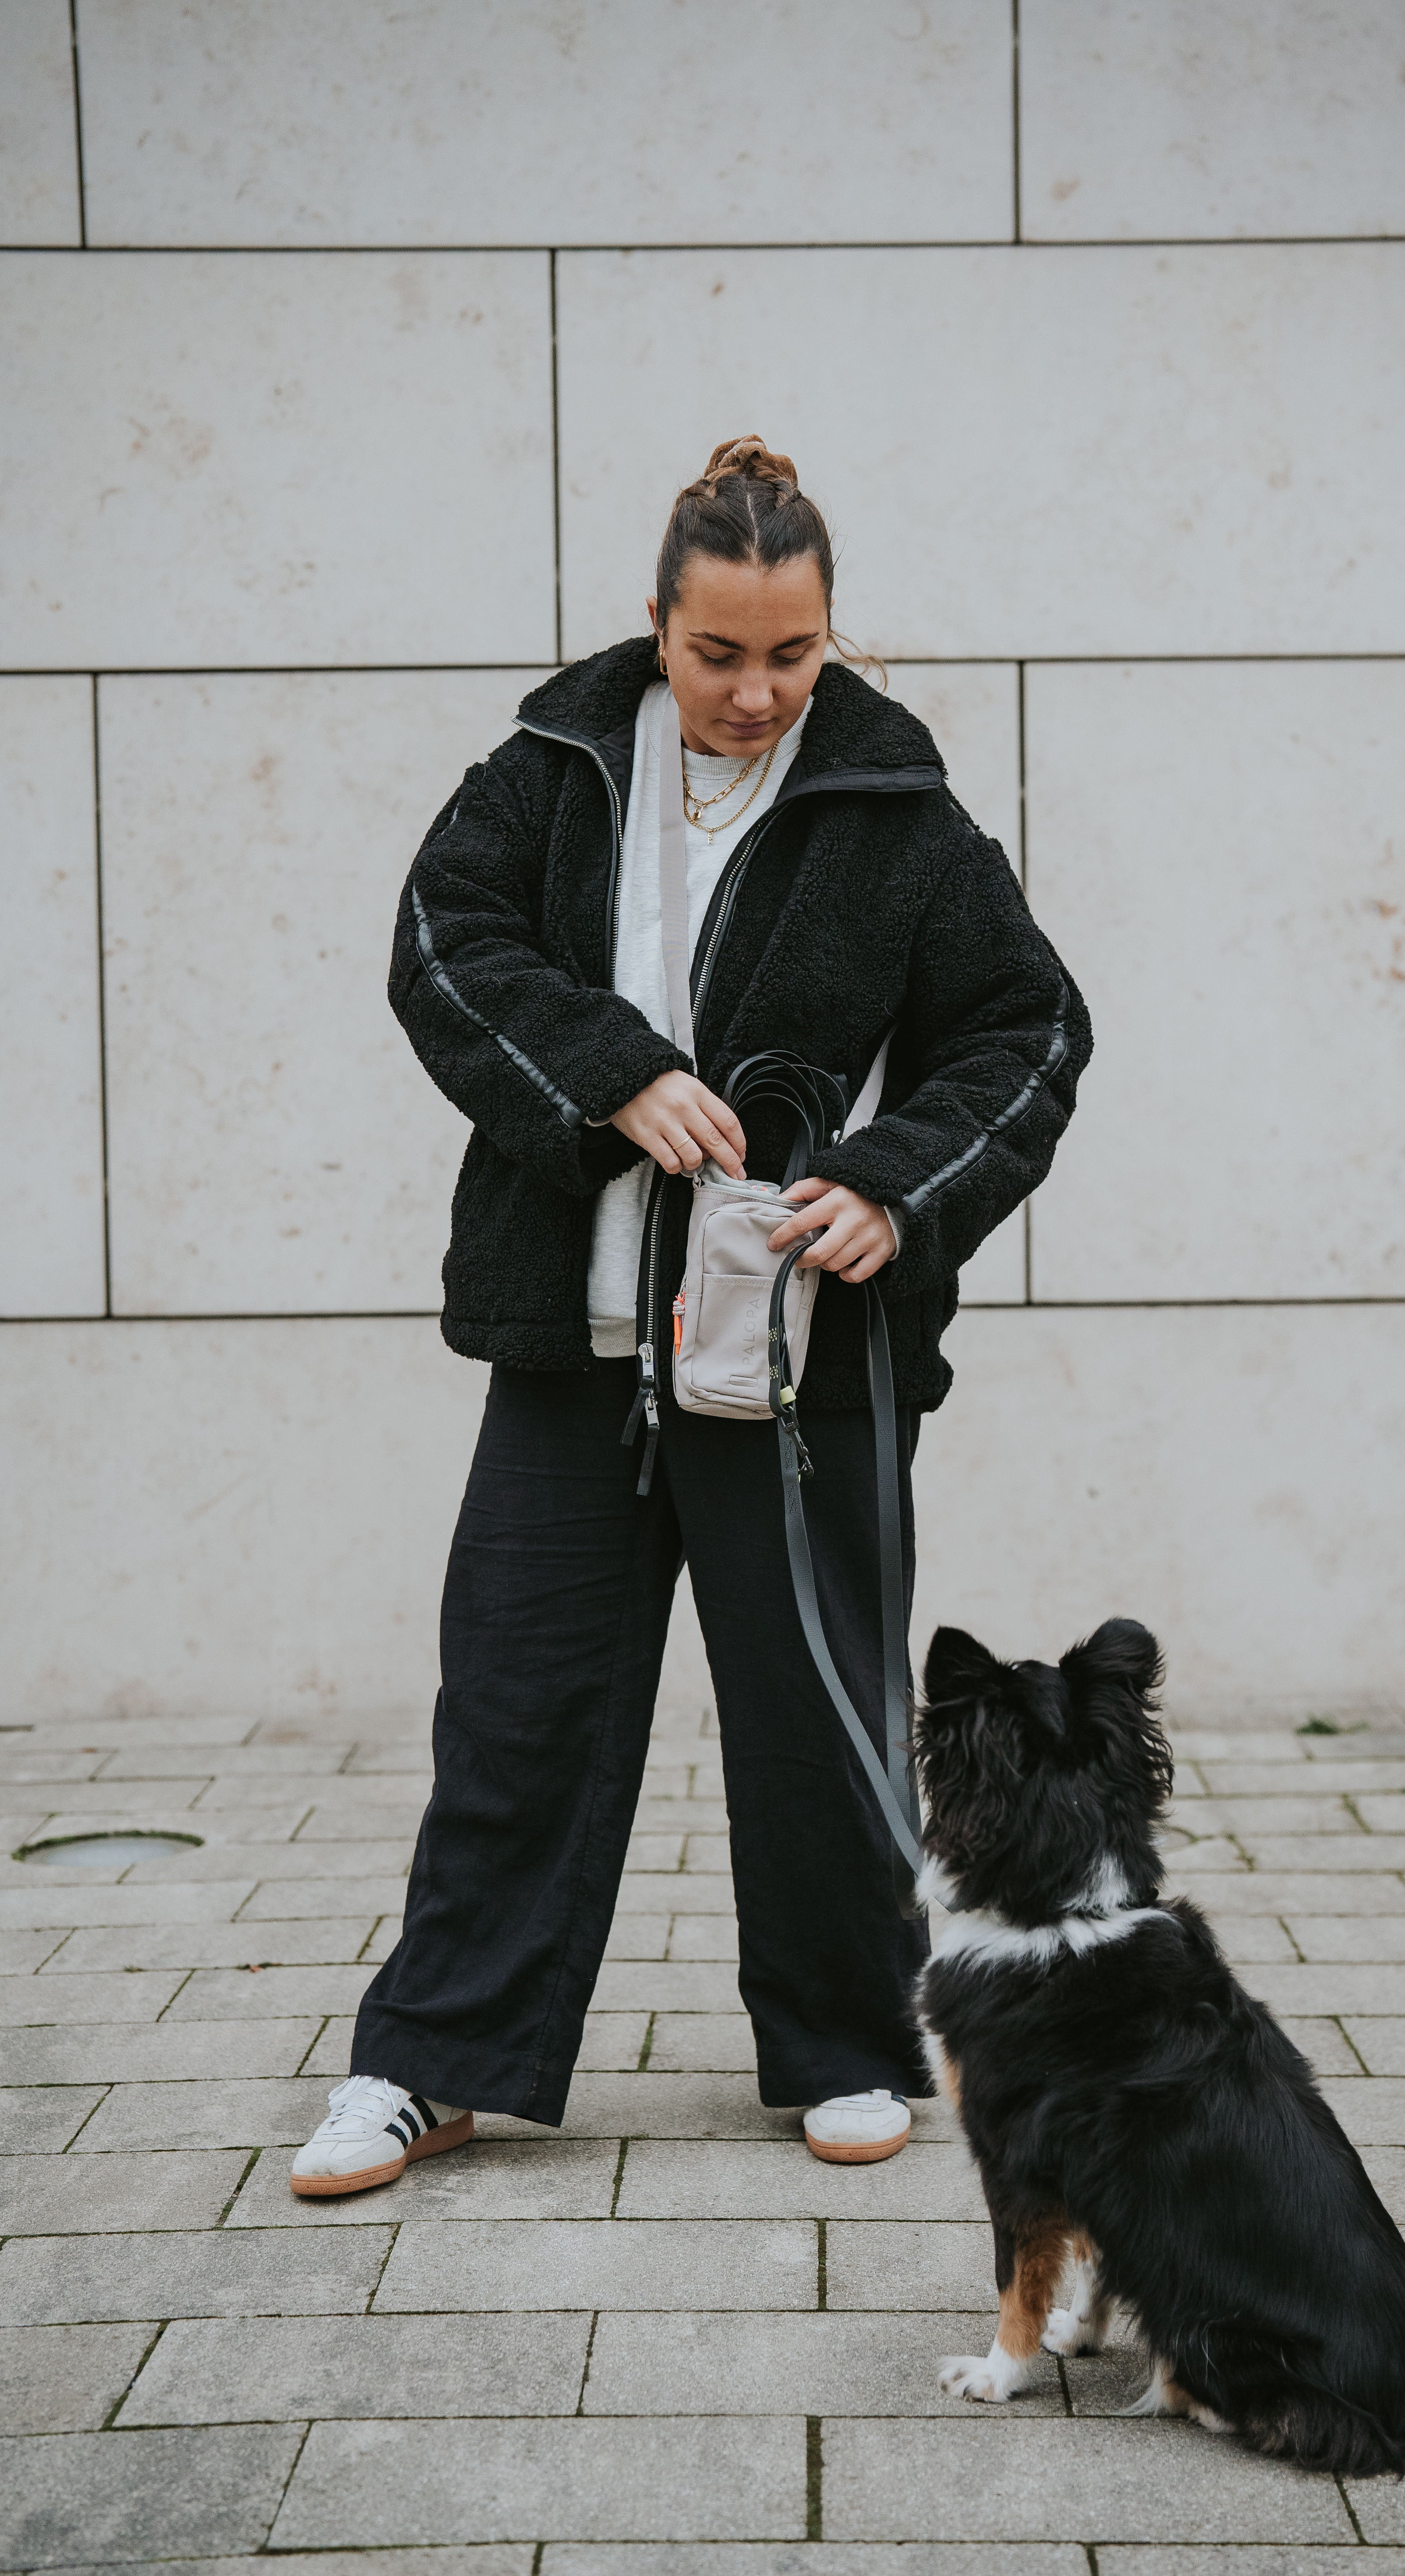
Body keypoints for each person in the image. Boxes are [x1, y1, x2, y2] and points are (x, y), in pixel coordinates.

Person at [290, 436, 1091, 2197]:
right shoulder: (551, 771)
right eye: (719, 650)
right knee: (514, 1706)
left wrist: (892, 1181)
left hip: (798, 1355)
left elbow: (1026, 1033)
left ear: (831, 634)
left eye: (790, 653)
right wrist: (612, 1073)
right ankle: (433, 2062)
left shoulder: (900, 810)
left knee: (816, 1713)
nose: (754, 689)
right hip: (571, 1349)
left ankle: (848, 2042)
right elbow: (446, 940)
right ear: (657, 622)